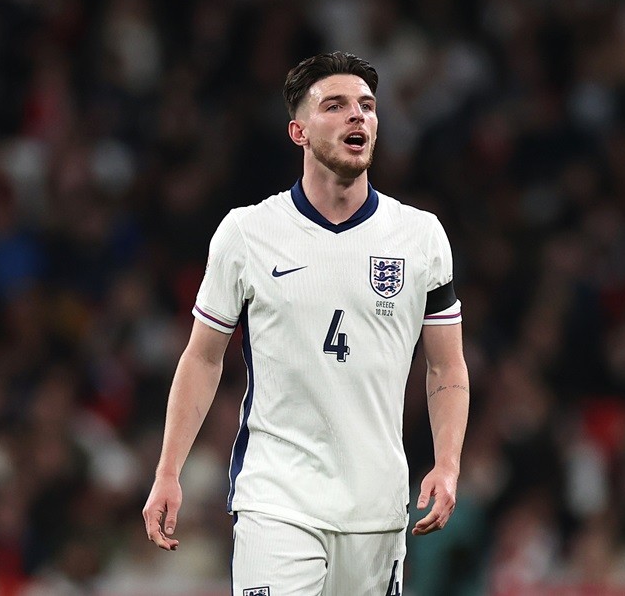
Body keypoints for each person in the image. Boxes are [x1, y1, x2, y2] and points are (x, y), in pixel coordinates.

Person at [142, 51, 470, 595]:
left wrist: (448, 463)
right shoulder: (247, 233)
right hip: (277, 501)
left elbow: (446, 366)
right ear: (298, 131)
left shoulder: (422, 237)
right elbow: (203, 357)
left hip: (376, 508)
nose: (356, 117)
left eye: (366, 107)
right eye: (335, 106)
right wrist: (168, 470)